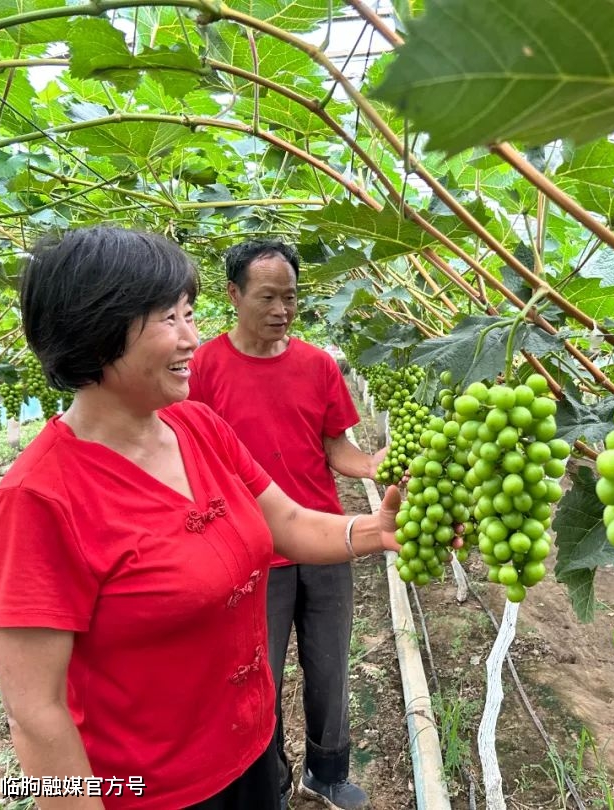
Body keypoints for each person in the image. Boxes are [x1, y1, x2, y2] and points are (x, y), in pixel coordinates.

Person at [0, 227, 401, 810]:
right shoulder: (37, 502)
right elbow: (37, 715)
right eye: (169, 319)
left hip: (249, 756)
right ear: (96, 332)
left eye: (191, 314)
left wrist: (376, 531)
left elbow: (290, 523)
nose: (191, 339)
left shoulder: (199, 427)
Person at [188, 239, 383, 810]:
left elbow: (335, 446)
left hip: (323, 540)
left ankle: (327, 772)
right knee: (259, 678)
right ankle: (268, 779)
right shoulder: (202, 367)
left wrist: (373, 464)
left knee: (330, 667)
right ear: (233, 295)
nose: (281, 309)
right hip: (249, 551)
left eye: (290, 298)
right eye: (268, 297)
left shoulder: (318, 364)